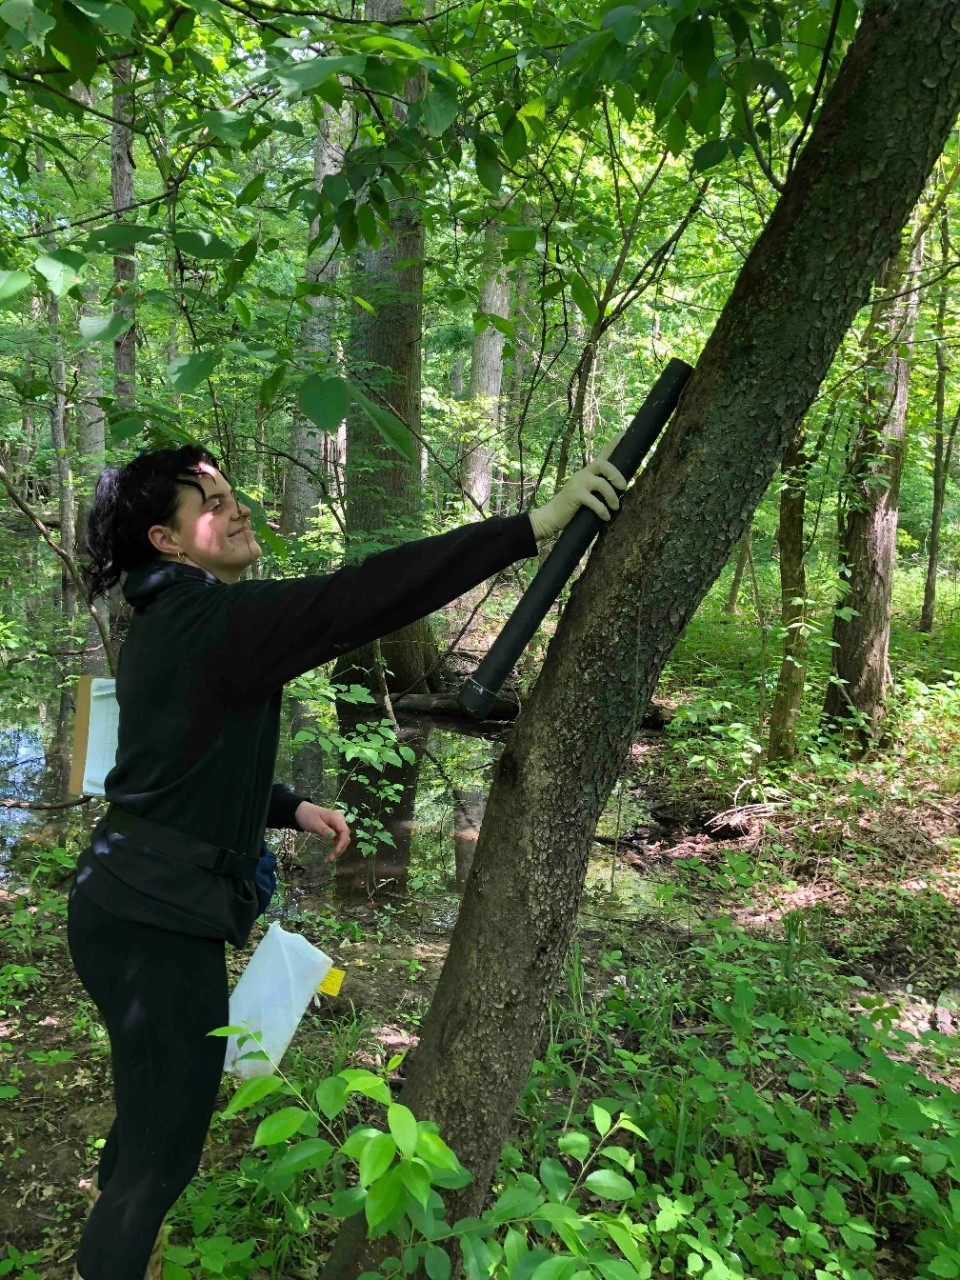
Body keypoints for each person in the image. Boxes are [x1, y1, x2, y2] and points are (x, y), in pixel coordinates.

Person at [68, 440, 627, 1280]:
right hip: (150, 924)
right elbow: (358, 598)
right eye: (211, 500)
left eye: (230, 486)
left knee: (149, 1114)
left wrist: (290, 805)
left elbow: (175, 762)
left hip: (130, 907)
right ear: (168, 540)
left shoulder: (173, 619)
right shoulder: (206, 618)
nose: (238, 503)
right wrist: (533, 525)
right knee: (165, 1148)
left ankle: (116, 1241)